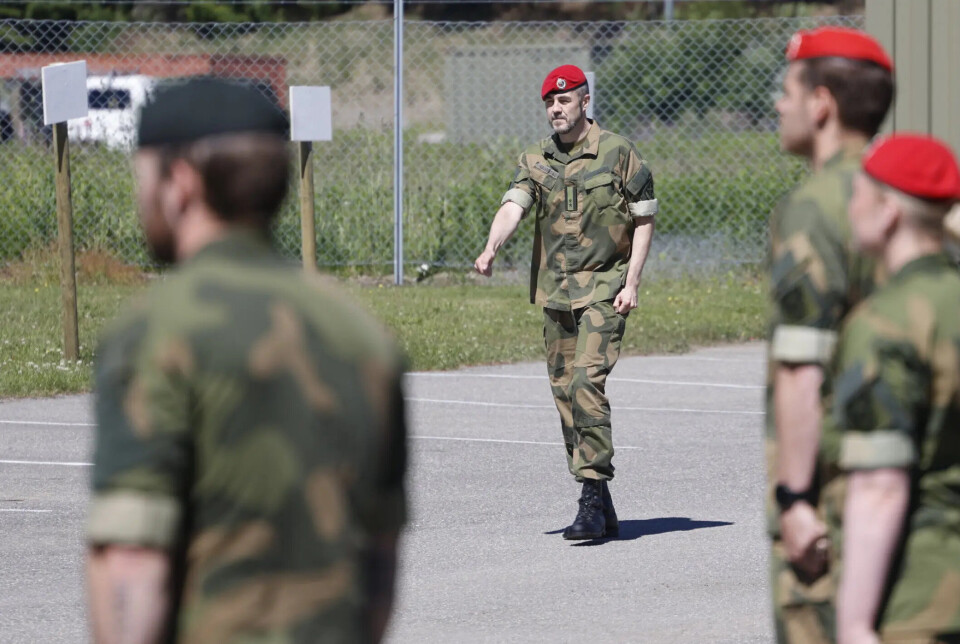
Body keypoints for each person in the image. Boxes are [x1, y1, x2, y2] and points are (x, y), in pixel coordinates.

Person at [85, 78, 407, 644]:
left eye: (141, 177)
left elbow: (133, 562)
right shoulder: (362, 336)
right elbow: (378, 561)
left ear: (179, 183)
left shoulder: (155, 330)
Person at [474, 64, 657, 540]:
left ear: (584, 100)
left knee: (585, 383)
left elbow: (644, 219)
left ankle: (591, 499)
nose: (556, 109)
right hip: (556, 293)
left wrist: (632, 281)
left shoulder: (618, 152)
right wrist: (492, 246)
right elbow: (513, 203)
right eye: (550, 103)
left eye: (565, 100)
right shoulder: (537, 158)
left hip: (604, 286)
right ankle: (601, 495)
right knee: (564, 395)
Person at [766, 27, 895, 643]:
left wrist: (795, 499)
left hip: (836, 497)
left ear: (821, 103)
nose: (777, 104)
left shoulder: (815, 206)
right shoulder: (906, 199)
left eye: (787, 89)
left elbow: (802, 366)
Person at [827, 134, 960, 644]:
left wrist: (856, 625)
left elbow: (880, 485)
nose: (850, 206)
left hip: (922, 600)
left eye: (858, 193)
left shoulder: (888, 323)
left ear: (887, 212)